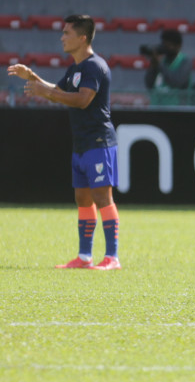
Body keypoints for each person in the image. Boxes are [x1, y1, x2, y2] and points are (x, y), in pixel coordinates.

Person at [7, 14, 124, 270]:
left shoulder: (94, 66)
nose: (62, 37)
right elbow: (57, 91)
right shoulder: (75, 69)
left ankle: (112, 257)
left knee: (102, 197)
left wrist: (46, 91)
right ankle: (84, 257)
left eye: (67, 33)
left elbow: (82, 100)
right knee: (83, 198)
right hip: (82, 143)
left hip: (98, 141)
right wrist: (32, 77)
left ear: (82, 38)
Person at [143, 27, 191, 99]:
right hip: (157, 107)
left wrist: (159, 65)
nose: (165, 48)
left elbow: (177, 82)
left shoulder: (185, 61)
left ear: (178, 46)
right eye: (163, 45)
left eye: (168, 45)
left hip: (177, 107)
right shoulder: (161, 60)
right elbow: (149, 84)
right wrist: (153, 65)